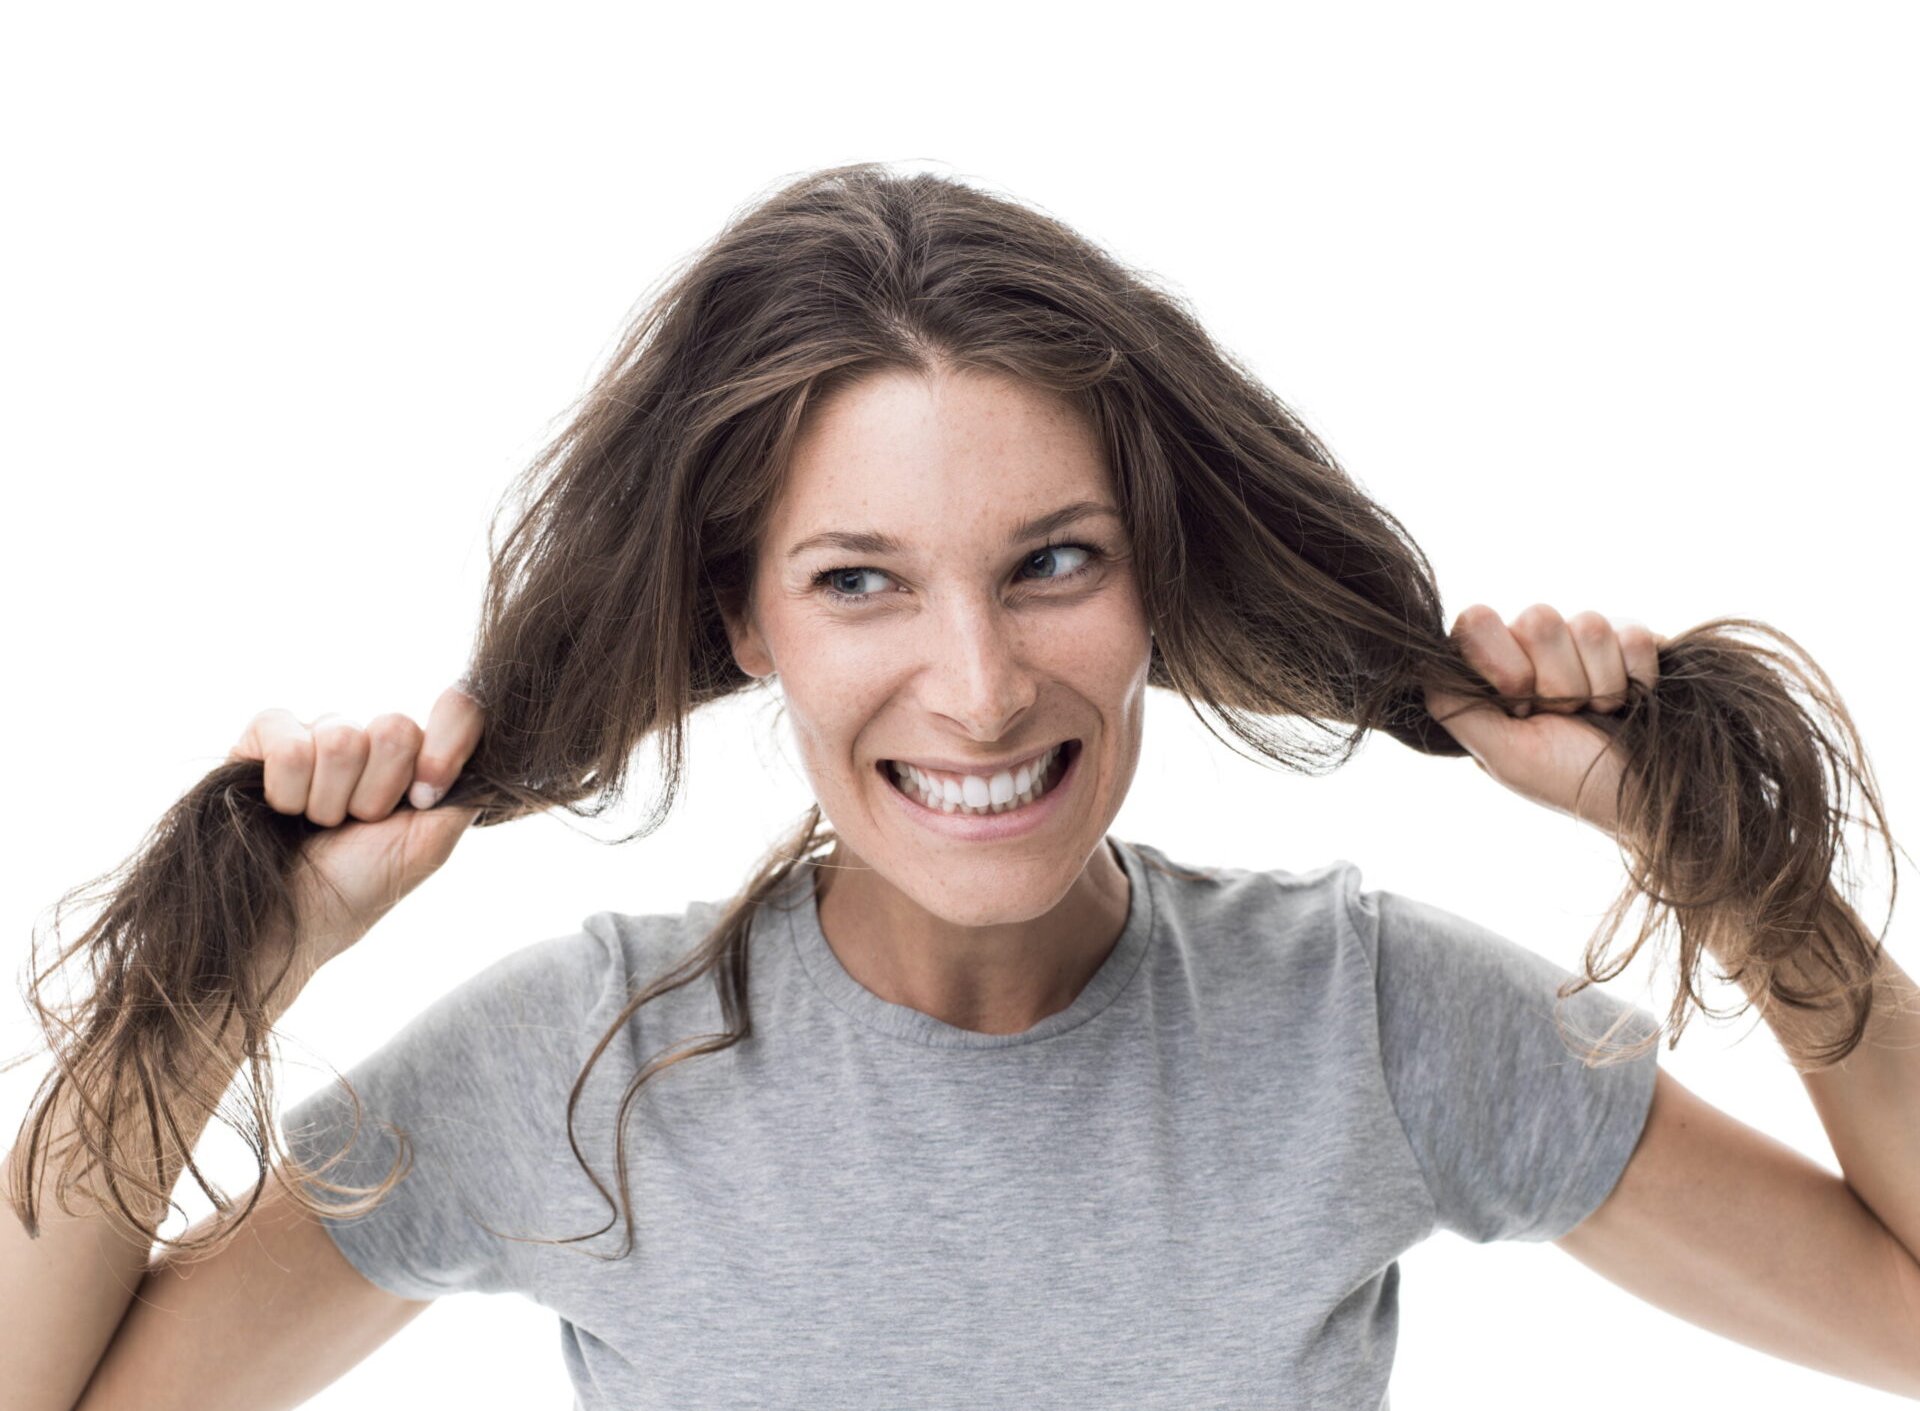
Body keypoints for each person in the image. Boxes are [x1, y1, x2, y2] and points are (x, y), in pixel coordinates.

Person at [9, 163, 1919, 1410]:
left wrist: (1734, 871)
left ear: (1159, 577)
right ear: (743, 619)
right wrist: (234, 968)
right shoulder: (585, 1066)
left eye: (1053, 562)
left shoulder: (1374, 1022)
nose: (985, 688)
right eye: (861, 583)